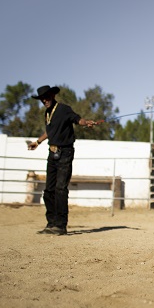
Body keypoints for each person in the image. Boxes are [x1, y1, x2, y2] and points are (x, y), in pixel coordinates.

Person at [28, 85, 99, 235]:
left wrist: (87, 123)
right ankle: (51, 223)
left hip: (65, 152)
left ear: (53, 95)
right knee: (48, 190)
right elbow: (49, 131)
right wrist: (38, 142)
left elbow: (77, 119)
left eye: (46, 97)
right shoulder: (47, 113)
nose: (44, 100)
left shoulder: (64, 109)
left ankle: (61, 225)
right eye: (42, 98)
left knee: (60, 189)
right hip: (52, 152)